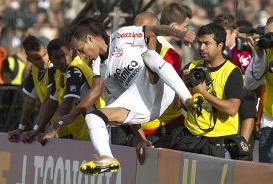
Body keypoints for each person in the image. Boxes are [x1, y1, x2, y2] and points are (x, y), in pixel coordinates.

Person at [47, 18, 197, 175]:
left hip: (160, 90)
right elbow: (124, 103)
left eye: (80, 49)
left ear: (90, 39)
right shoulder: (100, 67)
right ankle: (107, 158)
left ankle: (188, 100)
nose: (80, 55)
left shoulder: (121, 36)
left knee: (150, 56)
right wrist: (141, 139)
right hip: (146, 109)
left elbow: (153, 30)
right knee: (93, 117)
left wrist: (180, 34)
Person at [178, 23, 247, 160]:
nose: (201, 48)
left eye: (207, 43)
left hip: (219, 144)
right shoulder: (191, 67)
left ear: (220, 46)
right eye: (200, 43)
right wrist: (181, 85)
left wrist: (204, 94)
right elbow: (176, 106)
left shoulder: (232, 72)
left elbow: (232, 109)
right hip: (191, 140)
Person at [129, 5, 192, 149]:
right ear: (175, 27)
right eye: (185, 27)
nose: (187, 31)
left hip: (145, 126)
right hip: (154, 128)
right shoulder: (168, 53)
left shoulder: (135, 47)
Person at [24, 38, 105, 142]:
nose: (62, 61)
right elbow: (51, 103)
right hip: (80, 133)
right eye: (57, 58)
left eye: (64, 55)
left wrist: (53, 131)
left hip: (96, 131)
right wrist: (37, 130)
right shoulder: (58, 73)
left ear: (71, 52)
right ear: (51, 60)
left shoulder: (75, 70)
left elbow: (68, 101)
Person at [214, 14, 257, 151]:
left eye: (224, 33)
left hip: (243, 99)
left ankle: (243, 146)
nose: (221, 37)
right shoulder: (218, 51)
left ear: (234, 32)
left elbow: (251, 81)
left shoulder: (242, 53)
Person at [7, 35, 55, 142]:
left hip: (66, 123)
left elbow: (48, 101)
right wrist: (20, 129)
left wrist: (36, 129)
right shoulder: (35, 70)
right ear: (29, 60)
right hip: (53, 122)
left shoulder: (53, 68)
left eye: (45, 55)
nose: (43, 60)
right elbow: (29, 101)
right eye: (37, 58)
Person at [244, 16, 273, 163]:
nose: (269, 39)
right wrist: (260, 56)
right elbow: (250, 84)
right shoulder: (266, 52)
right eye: (267, 34)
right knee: (266, 173)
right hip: (269, 121)